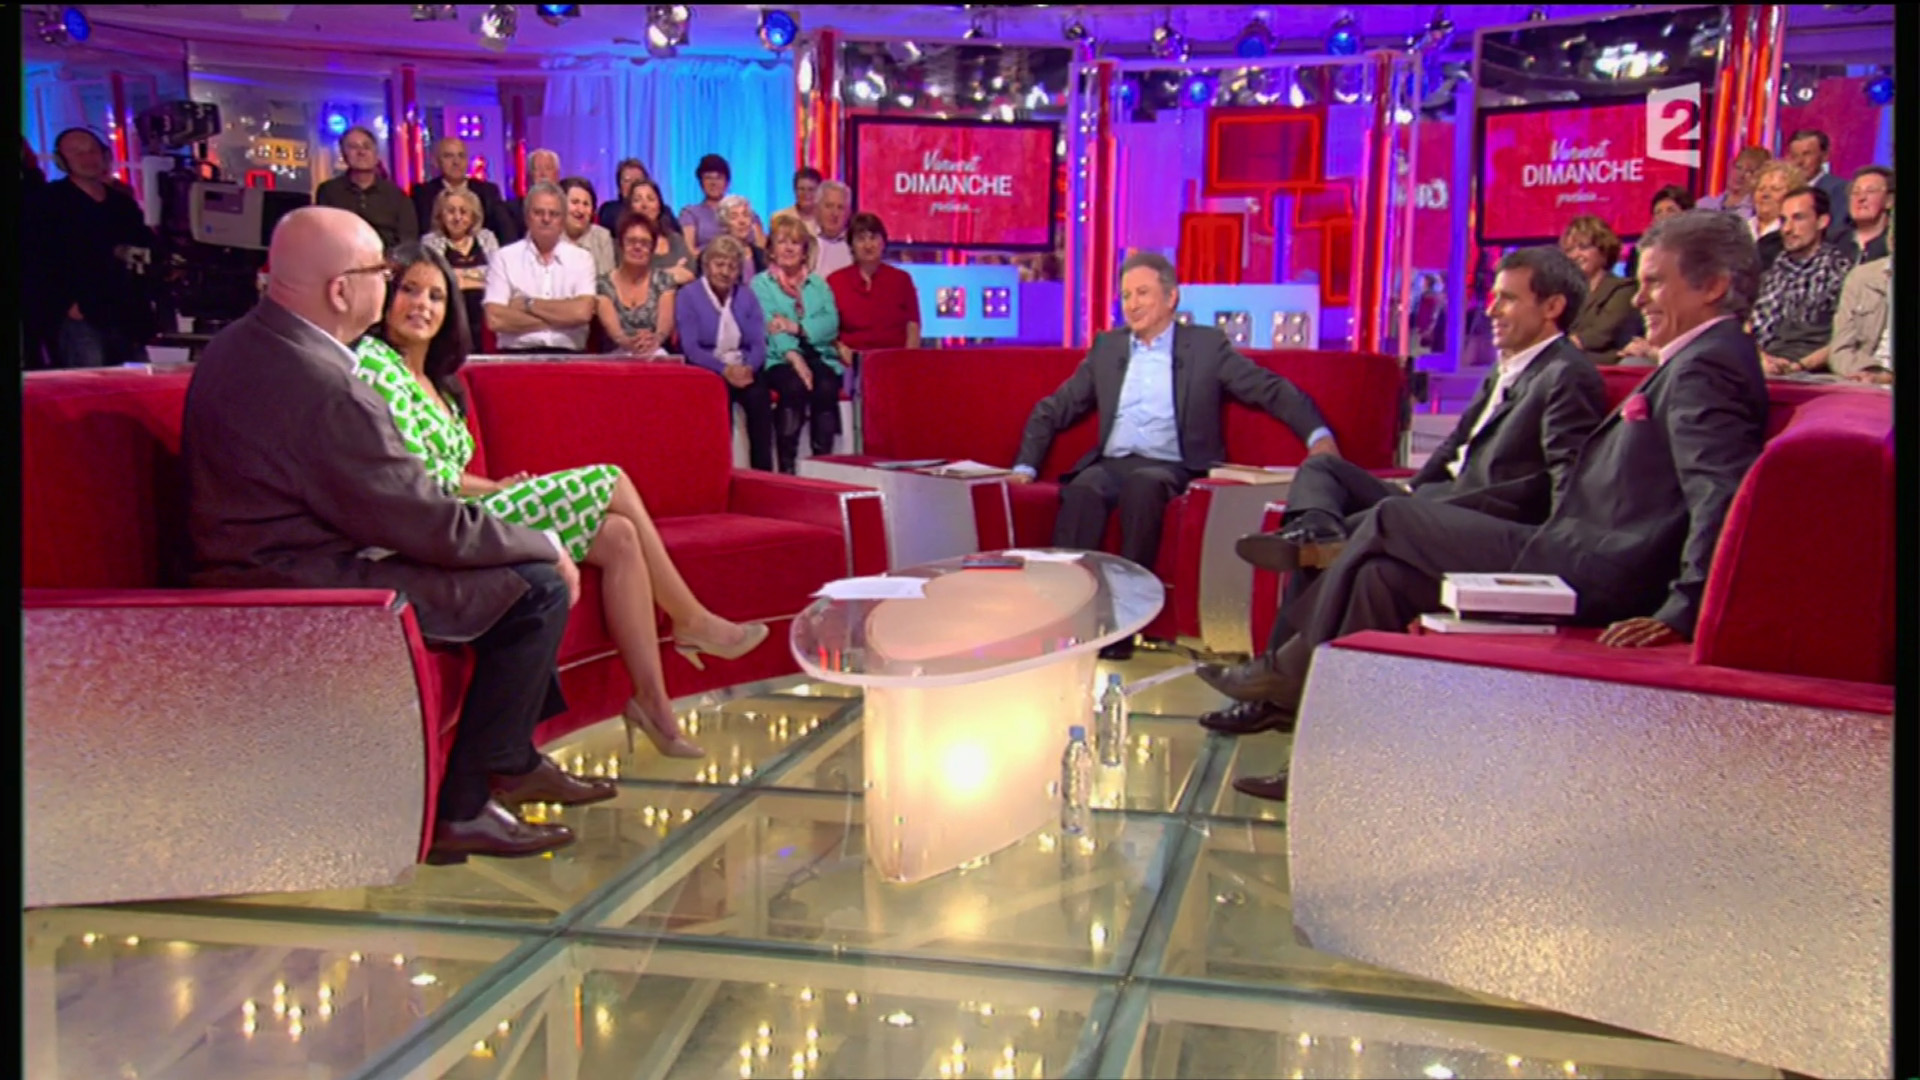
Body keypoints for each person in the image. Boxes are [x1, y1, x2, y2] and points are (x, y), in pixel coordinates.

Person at [1205, 211, 1770, 802]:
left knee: (1391, 518)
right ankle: (1326, 766)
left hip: (1594, 563)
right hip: (1575, 546)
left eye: (1654, 282)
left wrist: (1686, 605)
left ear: (1712, 286)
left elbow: (1719, 493)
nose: (1639, 298)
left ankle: (1286, 672)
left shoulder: (1708, 364)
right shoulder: (1695, 359)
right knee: (1379, 576)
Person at [181, 206, 596, 863]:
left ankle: (512, 757)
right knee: (536, 588)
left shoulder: (243, 342)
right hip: (297, 579)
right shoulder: (321, 384)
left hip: (274, 553)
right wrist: (545, 543)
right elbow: (431, 523)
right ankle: (462, 808)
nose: (388, 281)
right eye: (381, 271)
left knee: (514, 573)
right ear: (340, 290)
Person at [351, 241, 767, 761]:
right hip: (438, 526)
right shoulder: (376, 365)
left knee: (619, 536)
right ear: (385, 296)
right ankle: (690, 618)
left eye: (435, 296)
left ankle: (653, 705)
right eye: (409, 291)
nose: (422, 305)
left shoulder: (438, 381)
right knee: (610, 480)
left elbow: (450, 470)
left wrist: (497, 486)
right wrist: (494, 490)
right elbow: (415, 475)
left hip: (465, 508)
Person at [1205, 247, 1608, 735]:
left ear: (1552, 307)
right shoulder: (1508, 369)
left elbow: (1569, 480)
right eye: (1493, 297)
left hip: (1481, 524)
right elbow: (1455, 450)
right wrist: (1411, 489)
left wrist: (1555, 562)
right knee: (1323, 474)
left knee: (1369, 553)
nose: (1491, 310)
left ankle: (1282, 679)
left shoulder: (1566, 375)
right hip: (1433, 503)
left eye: (1507, 298)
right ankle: (1313, 539)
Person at [1009, 252, 1340, 657]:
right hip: (1112, 463)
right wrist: (1025, 467)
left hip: (1171, 465)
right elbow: (1053, 408)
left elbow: (1269, 389)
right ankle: (1068, 621)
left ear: (1171, 297)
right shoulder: (1108, 348)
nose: (1132, 304)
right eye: (1126, 295)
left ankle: (1124, 627)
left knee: (1144, 487)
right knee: (1082, 490)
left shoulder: (1205, 346)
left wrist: (1317, 435)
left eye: (1142, 293)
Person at [41, 126, 159, 368]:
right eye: (77, 152)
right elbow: (39, 258)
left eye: (92, 150)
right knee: (89, 381)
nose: (88, 158)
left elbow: (143, 244)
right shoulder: (49, 201)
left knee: (134, 380)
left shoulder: (121, 204)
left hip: (126, 312)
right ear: (62, 161)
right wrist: (66, 304)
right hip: (81, 314)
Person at [751, 212, 845, 473]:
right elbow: (769, 326)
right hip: (778, 357)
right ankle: (788, 467)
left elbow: (831, 323)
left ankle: (823, 466)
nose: (789, 248)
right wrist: (794, 356)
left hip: (817, 353)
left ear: (805, 251)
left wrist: (797, 327)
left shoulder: (818, 284)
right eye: (782, 242)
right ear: (771, 250)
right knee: (793, 387)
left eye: (795, 242)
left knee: (826, 386)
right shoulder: (761, 284)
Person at [679, 235, 775, 470]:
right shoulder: (688, 295)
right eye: (719, 264)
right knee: (719, 398)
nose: (725, 272)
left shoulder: (747, 296)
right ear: (706, 265)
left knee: (759, 398)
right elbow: (690, 348)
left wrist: (748, 367)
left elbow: (758, 343)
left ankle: (763, 474)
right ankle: (718, 472)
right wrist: (724, 370)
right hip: (707, 368)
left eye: (732, 267)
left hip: (743, 367)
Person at [482, 182, 597, 354]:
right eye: (538, 212)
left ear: (563, 219)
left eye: (554, 214)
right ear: (527, 217)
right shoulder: (503, 258)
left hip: (569, 359)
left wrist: (527, 304)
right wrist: (562, 319)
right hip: (516, 358)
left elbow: (582, 313)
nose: (546, 219)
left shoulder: (582, 259)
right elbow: (495, 319)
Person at [1751, 186, 1852, 375]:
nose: (1787, 229)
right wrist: (1760, 358)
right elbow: (1746, 326)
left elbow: (1848, 339)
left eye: (1798, 218)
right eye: (1783, 220)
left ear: (1822, 221)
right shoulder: (1769, 275)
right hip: (1759, 363)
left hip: (1808, 371)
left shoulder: (1840, 274)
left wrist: (1798, 366)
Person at [827, 211, 922, 369]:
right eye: (861, 239)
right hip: (850, 365)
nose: (868, 245)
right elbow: (827, 330)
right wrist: (842, 352)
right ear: (851, 246)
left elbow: (913, 325)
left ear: (883, 242)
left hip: (895, 363)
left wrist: (908, 362)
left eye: (873, 238)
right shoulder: (835, 281)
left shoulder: (902, 280)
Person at [421, 186, 501, 351]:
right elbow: (436, 280)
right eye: (451, 211)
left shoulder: (486, 238)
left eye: (463, 212)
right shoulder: (430, 241)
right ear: (441, 215)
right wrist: (478, 277)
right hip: (448, 315)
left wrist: (460, 278)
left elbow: (497, 277)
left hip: (484, 316)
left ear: (473, 216)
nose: (457, 217)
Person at [314, 126, 417, 252]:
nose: (361, 152)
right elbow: (323, 236)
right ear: (343, 154)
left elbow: (408, 243)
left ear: (376, 154)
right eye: (353, 147)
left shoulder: (397, 196)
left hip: (386, 260)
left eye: (367, 147)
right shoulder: (329, 191)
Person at [1559, 215, 1641, 362]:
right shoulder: (1566, 294)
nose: (1575, 255)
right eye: (1569, 250)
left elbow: (1600, 336)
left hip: (1611, 365)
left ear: (1603, 250)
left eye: (1583, 248)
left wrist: (1562, 345)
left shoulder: (1623, 289)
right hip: (1574, 361)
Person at [596, 213, 679, 358]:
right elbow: (615, 333)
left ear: (652, 248)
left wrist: (654, 340)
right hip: (615, 356)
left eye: (645, 243)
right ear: (620, 244)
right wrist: (629, 343)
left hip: (654, 351)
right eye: (631, 241)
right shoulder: (603, 284)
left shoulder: (664, 280)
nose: (637, 247)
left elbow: (664, 328)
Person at [411, 136, 516, 247]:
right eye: (448, 156)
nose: (456, 162)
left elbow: (505, 231)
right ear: (436, 162)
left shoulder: (488, 191)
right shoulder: (422, 194)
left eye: (461, 156)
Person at [1826, 214, 1892, 385]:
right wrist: (1864, 372)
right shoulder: (1861, 278)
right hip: (1862, 378)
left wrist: (1889, 378)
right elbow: (1840, 349)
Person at [679, 153, 763, 252]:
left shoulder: (745, 210)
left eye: (719, 178)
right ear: (701, 182)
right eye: (708, 178)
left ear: (727, 182)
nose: (713, 183)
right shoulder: (690, 213)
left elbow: (761, 247)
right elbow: (688, 252)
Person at [1784, 128, 1853, 240]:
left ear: (1825, 156)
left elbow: (1836, 231)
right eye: (1794, 156)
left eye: (1806, 154)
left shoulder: (1838, 190)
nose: (1799, 162)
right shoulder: (1785, 189)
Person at [625, 179, 695, 284]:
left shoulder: (674, 239)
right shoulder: (623, 243)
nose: (644, 205)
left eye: (650, 199)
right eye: (637, 200)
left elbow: (690, 274)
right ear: (630, 207)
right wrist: (671, 274)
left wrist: (653, 277)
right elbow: (633, 280)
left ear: (659, 207)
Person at [1624, 184, 1694, 282]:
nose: (1664, 216)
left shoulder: (1696, 248)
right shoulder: (1640, 251)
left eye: (1671, 210)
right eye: (1658, 212)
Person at [1749, 159, 1805, 271]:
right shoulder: (1739, 229)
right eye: (1760, 189)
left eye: (1775, 189)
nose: (1765, 194)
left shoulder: (1793, 235)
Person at [1835, 166, 1893, 266]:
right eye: (1855, 192)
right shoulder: (1834, 241)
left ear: (1889, 200)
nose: (1861, 198)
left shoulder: (1891, 244)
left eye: (1870, 191)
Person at [559, 176, 616, 277]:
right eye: (575, 202)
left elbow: (607, 282)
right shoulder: (549, 236)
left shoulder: (602, 237)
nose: (581, 210)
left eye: (586, 204)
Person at [506, 148, 562, 241]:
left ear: (557, 175)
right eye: (537, 169)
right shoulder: (512, 211)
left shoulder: (567, 207)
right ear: (529, 175)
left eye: (548, 168)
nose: (543, 174)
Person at [811, 180, 855, 278]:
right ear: (817, 209)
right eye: (829, 206)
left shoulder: (855, 246)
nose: (834, 213)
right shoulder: (805, 241)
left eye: (840, 207)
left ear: (848, 213)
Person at [720, 193, 771, 274]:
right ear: (724, 224)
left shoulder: (761, 255)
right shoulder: (715, 255)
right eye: (734, 217)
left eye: (746, 215)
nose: (742, 221)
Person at [597, 157, 650, 234]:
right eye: (627, 180)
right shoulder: (609, 210)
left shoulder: (660, 210)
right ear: (619, 187)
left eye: (638, 180)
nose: (632, 184)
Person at [784, 166, 823, 234]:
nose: (806, 194)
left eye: (811, 189)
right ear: (794, 190)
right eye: (801, 189)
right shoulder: (781, 218)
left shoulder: (828, 220)